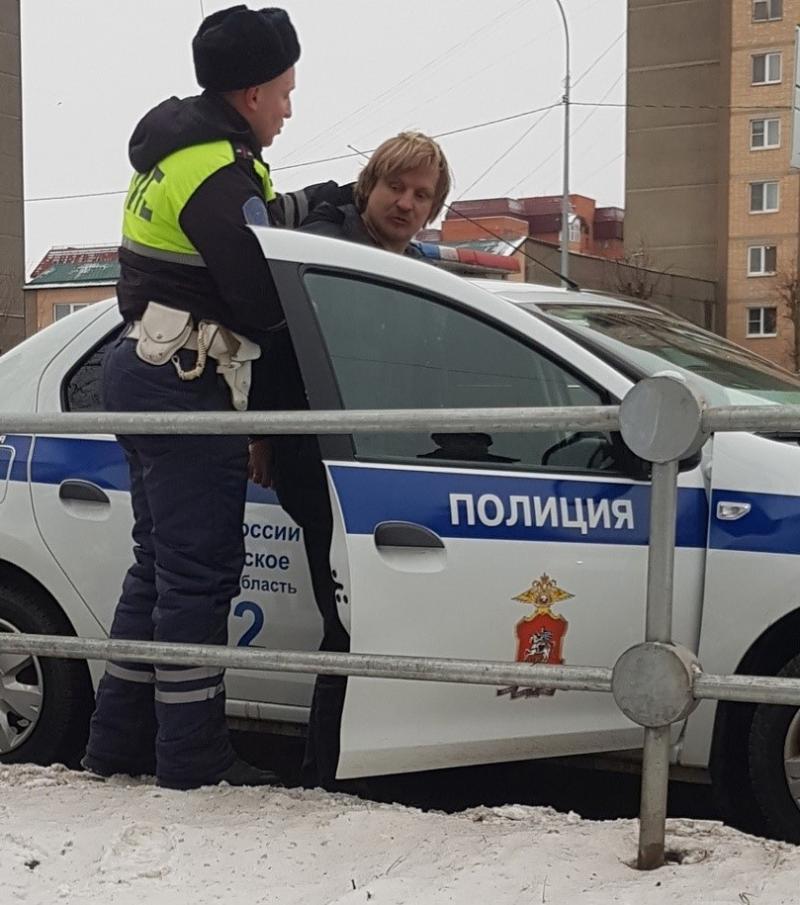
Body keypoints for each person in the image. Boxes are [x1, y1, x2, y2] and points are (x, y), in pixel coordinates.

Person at [82, 5, 350, 791]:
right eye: (285, 92)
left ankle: (117, 741)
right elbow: (259, 290)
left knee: (159, 568)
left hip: (148, 364)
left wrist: (310, 204)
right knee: (200, 573)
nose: (291, 107)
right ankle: (191, 756)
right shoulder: (215, 171)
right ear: (253, 91)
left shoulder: (188, 154)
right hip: (187, 377)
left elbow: (245, 222)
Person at [248, 132, 453, 789]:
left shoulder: (415, 270)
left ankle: (367, 760)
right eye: (397, 186)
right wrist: (263, 435)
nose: (407, 202)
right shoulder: (328, 252)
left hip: (386, 468)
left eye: (423, 195)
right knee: (349, 621)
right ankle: (329, 770)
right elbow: (280, 348)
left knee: (373, 621)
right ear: (370, 185)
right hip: (321, 463)